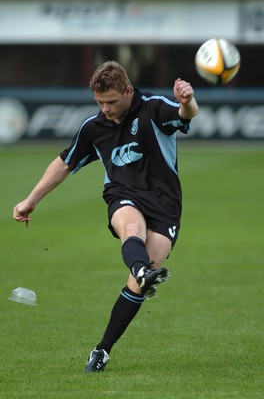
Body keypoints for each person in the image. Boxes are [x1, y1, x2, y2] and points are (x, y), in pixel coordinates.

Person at [13, 60, 198, 373]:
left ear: (127, 90)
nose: (106, 109)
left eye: (111, 101)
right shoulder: (94, 127)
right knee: (130, 226)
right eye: (99, 102)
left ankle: (102, 349)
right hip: (123, 195)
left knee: (140, 280)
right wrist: (31, 199)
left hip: (165, 204)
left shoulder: (152, 108)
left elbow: (185, 115)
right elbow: (64, 163)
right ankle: (142, 270)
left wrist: (188, 100)